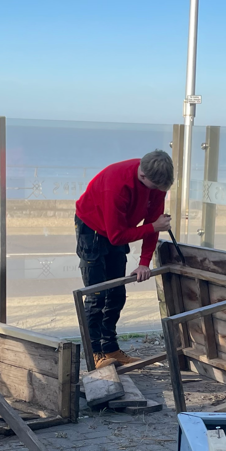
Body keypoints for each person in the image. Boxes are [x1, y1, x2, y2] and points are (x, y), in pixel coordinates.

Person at [74, 151, 174, 368]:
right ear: (143, 176)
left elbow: (153, 223)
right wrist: (152, 227)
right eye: (155, 187)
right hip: (92, 228)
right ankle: (94, 353)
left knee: (117, 293)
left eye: (162, 189)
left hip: (119, 227)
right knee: (97, 295)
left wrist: (144, 262)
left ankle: (110, 348)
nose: (159, 192)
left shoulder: (156, 182)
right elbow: (117, 236)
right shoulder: (116, 185)